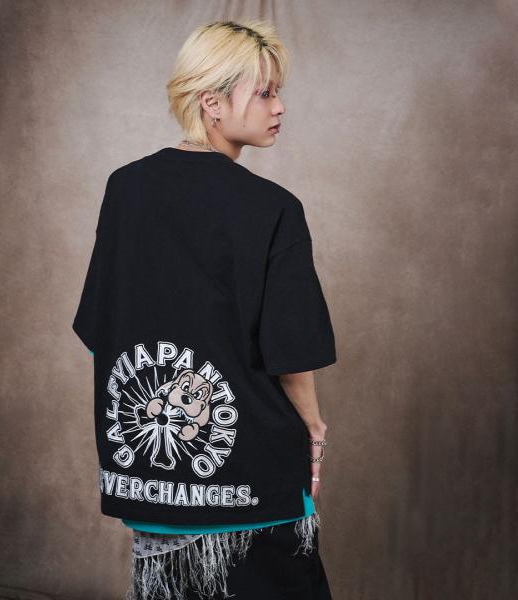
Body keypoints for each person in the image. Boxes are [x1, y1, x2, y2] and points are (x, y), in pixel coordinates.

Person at [72, 19, 337, 600]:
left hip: (149, 483)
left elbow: (100, 331)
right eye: (263, 92)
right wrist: (314, 431)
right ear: (211, 102)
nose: (279, 107)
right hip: (253, 489)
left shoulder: (124, 189)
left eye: (278, 92)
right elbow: (291, 354)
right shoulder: (274, 209)